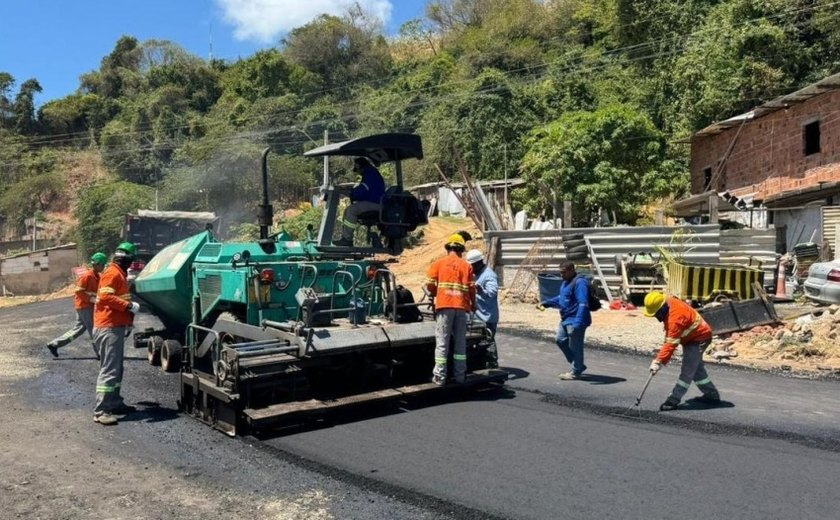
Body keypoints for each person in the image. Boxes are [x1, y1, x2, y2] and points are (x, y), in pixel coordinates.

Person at [643, 291, 721, 411]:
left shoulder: (675, 319)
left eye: (656, 314)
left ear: (662, 309)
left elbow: (670, 344)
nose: (656, 317)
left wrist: (658, 361)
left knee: (688, 370)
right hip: (691, 337)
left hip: (699, 338)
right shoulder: (667, 301)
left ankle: (673, 400)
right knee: (696, 370)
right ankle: (712, 395)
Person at [92, 242, 141, 426]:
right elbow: (105, 297)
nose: (131, 263)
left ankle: (114, 403)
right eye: (130, 260)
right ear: (125, 258)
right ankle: (101, 410)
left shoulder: (119, 273)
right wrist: (128, 306)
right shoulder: (113, 273)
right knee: (110, 369)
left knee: (117, 368)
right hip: (108, 326)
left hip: (116, 326)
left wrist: (128, 322)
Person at [425, 234, 476, 385]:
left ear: (448, 248)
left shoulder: (439, 263)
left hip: (444, 306)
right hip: (461, 308)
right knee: (460, 342)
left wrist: (435, 292)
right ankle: (460, 376)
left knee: (442, 342)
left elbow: (429, 284)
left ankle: (440, 377)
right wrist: (474, 304)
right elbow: (472, 289)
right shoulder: (467, 266)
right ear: (461, 250)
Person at [46, 252, 108, 360]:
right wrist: (92, 299)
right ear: (97, 264)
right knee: (94, 329)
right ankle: (100, 353)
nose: (103, 267)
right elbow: (79, 291)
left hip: (85, 306)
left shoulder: (97, 276)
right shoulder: (87, 276)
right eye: (102, 265)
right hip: (85, 306)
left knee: (79, 329)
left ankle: (55, 344)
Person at [538, 261, 591, 380]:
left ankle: (576, 371)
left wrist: (578, 323)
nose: (561, 275)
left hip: (576, 319)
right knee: (560, 340)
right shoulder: (566, 282)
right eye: (560, 272)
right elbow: (562, 298)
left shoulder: (580, 283)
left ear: (572, 270)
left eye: (564, 272)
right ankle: (578, 365)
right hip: (566, 318)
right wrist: (547, 303)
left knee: (575, 346)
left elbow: (583, 303)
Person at [334, 157, 386, 247]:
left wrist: (351, 193)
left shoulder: (369, 173)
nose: (358, 173)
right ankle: (346, 238)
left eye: (357, 170)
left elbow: (363, 190)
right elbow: (364, 189)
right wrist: (352, 192)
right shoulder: (370, 172)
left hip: (376, 203)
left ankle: (347, 240)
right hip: (373, 201)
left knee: (351, 210)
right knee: (348, 210)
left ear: (360, 166)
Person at [465, 249, 499, 368]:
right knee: (476, 343)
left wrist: (480, 289)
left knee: (488, 341)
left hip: (486, 317)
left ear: (478, 263)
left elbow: (492, 292)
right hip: (476, 316)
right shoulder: (477, 274)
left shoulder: (488, 275)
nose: (471, 268)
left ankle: (493, 366)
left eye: (472, 265)